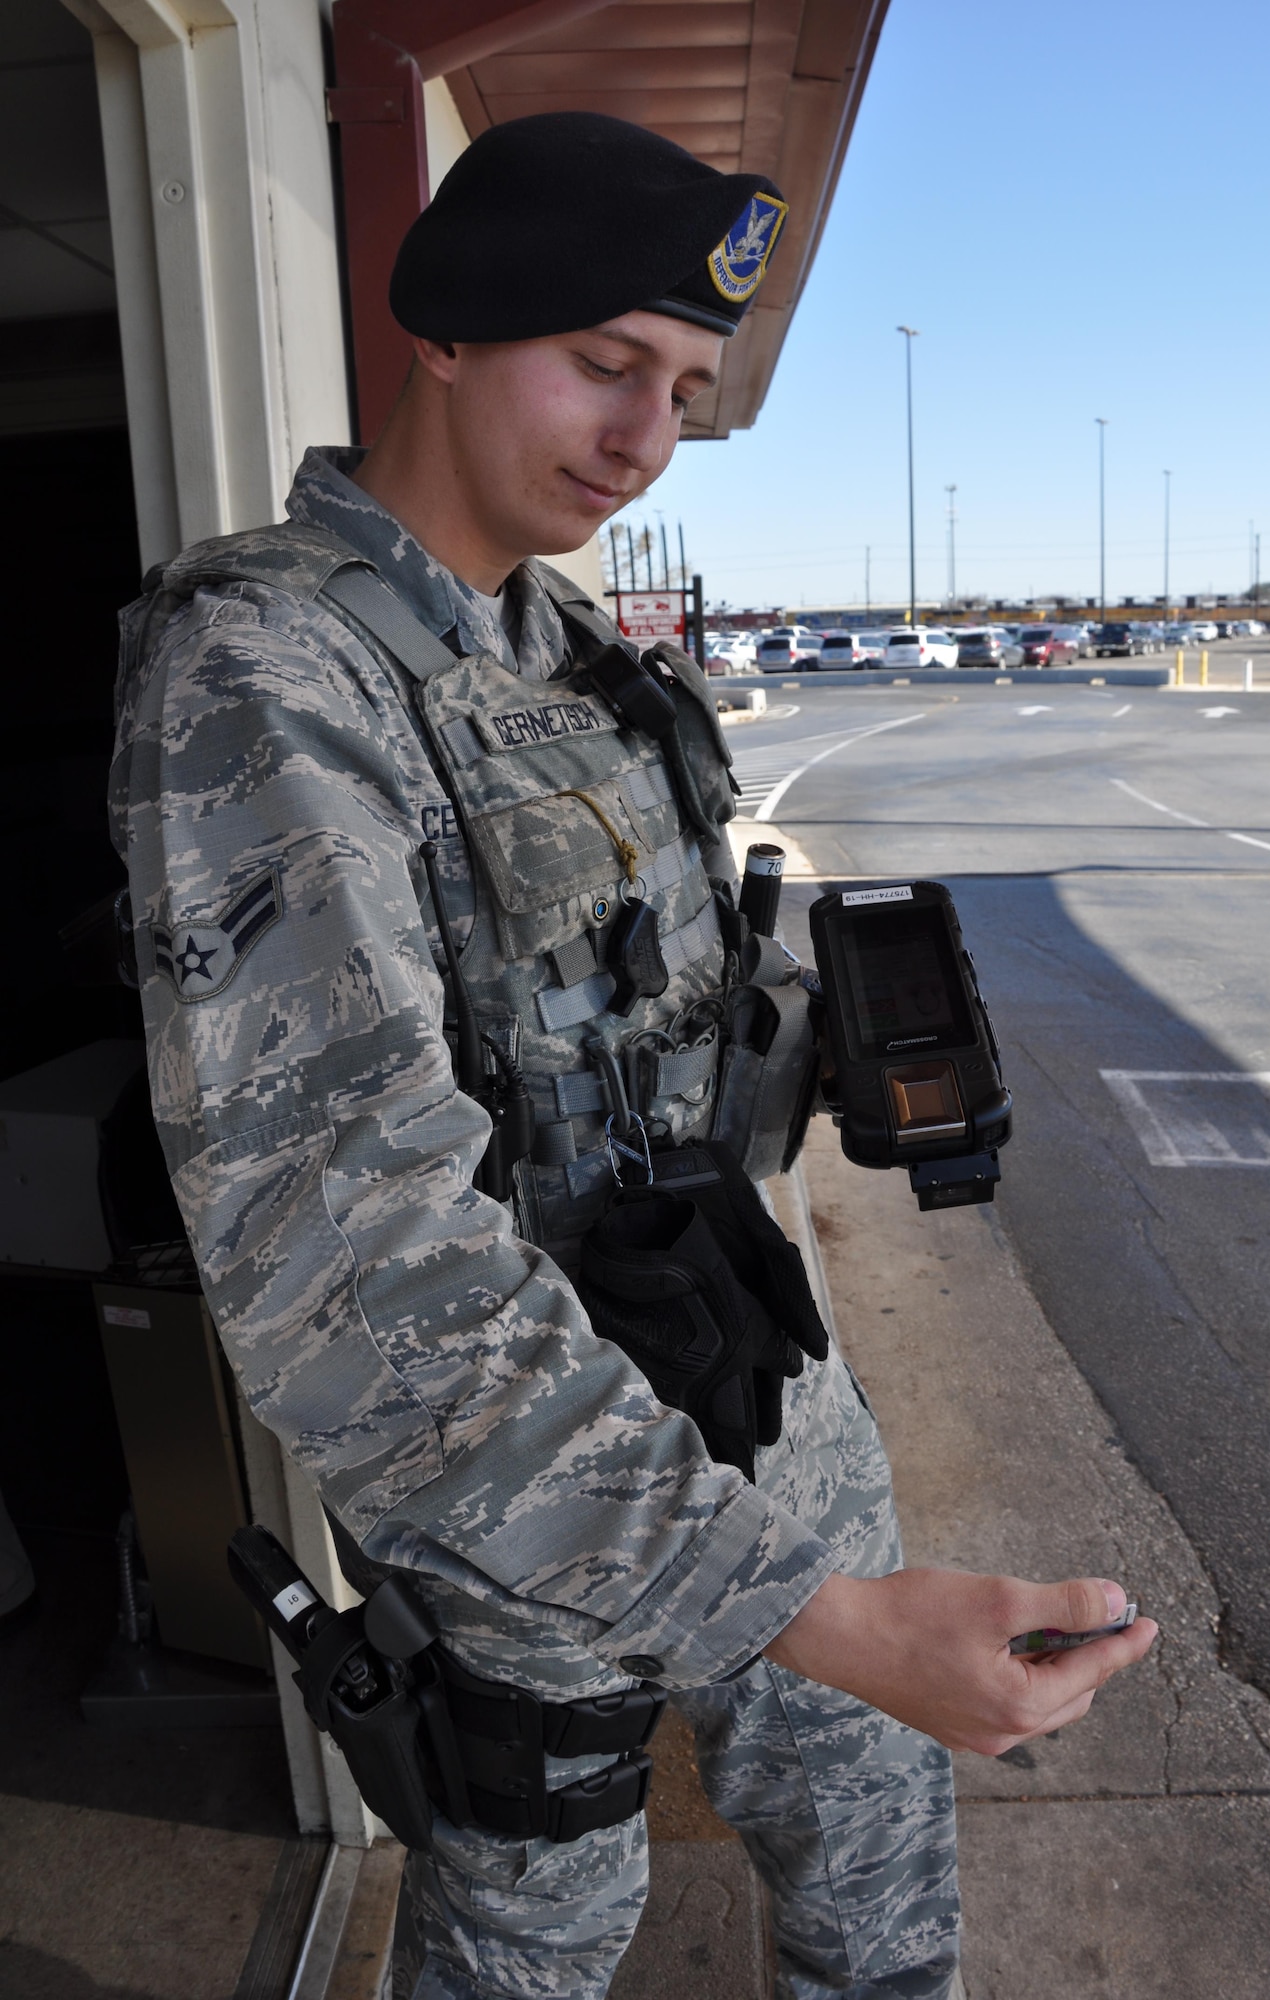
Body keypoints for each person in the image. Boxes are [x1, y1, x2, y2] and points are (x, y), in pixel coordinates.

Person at [111, 113, 1154, 2000]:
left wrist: (817, 1044)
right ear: (444, 329)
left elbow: (631, 1042)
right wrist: (812, 1616)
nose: (645, 438)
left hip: (754, 1373)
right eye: (603, 364)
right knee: (542, 1925)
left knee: (879, 1864)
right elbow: (352, 1262)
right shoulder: (270, 669)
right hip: (528, 1468)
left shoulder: (578, 652)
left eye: (681, 385)